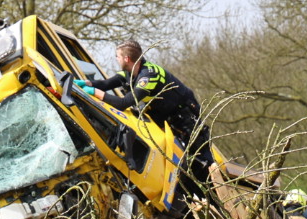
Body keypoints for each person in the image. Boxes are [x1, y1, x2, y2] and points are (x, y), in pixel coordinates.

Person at [80, 39, 214, 193]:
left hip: (184, 114)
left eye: (117, 56)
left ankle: (216, 190)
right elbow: (106, 84)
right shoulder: (130, 72)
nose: (116, 59)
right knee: (179, 159)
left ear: (126, 59)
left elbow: (124, 103)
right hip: (166, 114)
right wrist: (86, 84)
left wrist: (94, 93)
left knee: (201, 158)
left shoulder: (148, 77)